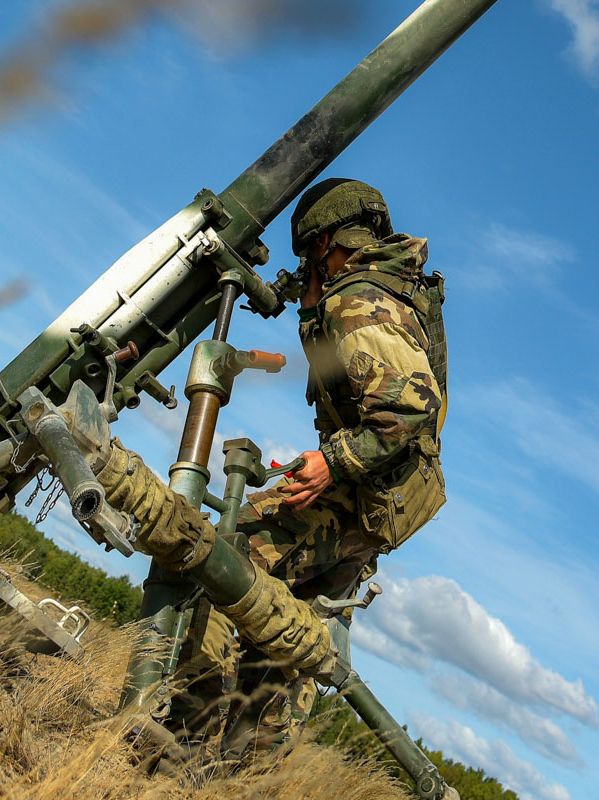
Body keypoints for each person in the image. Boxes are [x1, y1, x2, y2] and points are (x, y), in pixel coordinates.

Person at [166, 178, 449, 756]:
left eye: (307, 256)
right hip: (385, 501)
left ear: (323, 242)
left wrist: (335, 462)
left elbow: (413, 403)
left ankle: (181, 746)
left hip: (362, 491)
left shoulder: (358, 299)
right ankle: (245, 775)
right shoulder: (391, 289)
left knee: (223, 558)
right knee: (286, 635)